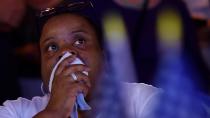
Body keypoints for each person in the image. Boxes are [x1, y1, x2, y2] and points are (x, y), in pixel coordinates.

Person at [0, 0, 161, 118]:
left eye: (80, 41)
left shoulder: (141, 99)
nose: (66, 52)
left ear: (103, 57)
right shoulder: (15, 111)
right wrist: (55, 111)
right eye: (52, 47)